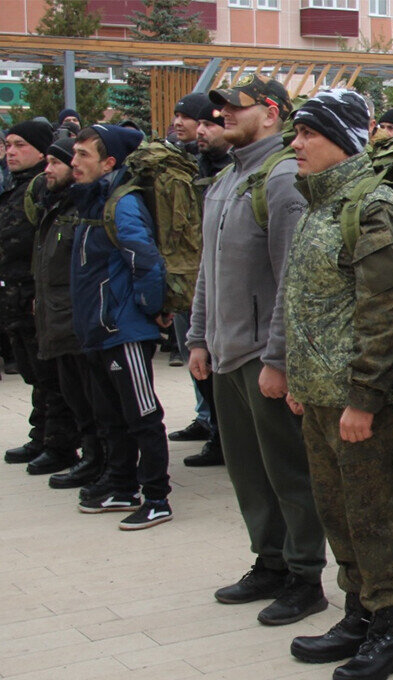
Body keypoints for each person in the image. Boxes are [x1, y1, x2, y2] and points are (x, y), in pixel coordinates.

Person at [281, 88, 393, 680]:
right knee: (336, 509)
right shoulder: (318, 204)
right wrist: (298, 379)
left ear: (340, 140)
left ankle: (389, 630)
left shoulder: (375, 208)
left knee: (373, 515)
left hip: (358, 402)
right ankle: (357, 612)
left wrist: (364, 399)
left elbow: (388, 313)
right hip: (317, 395)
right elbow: (308, 304)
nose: (295, 145)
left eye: (307, 134)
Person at [188, 73, 327, 625]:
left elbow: (294, 278)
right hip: (225, 353)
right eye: (218, 108)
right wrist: (198, 335)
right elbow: (208, 270)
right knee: (248, 472)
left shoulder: (283, 179)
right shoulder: (227, 180)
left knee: (288, 472)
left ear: (271, 113)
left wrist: (278, 360)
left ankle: (303, 574)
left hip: (262, 359)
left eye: (233, 108)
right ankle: (269, 562)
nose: (221, 115)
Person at [69, 124, 173, 529]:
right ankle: (124, 486)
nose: (73, 162)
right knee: (110, 415)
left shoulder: (122, 204)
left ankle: (158, 496)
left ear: (109, 162)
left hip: (124, 330)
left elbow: (144, 260)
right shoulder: (93, 200)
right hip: (99, 330)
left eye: (83, 155)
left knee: (142, 414)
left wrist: (149, 308)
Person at [1, 119, 78, 476]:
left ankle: (60, 443)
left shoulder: (42, 190)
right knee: (34, 372)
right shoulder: (18, 189)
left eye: (19, 145)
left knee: (51, 374)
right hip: (16, 296)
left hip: (39, 297)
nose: (11, 152)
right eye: (8, 145)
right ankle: (43, 433)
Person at [29, 138, 102, 491]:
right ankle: (89, 455)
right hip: (55, 319)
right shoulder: (53, 209)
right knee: (71, 394)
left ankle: (98, 459)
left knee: (92, 398)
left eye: (55, 163)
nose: (50, 170)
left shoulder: (80, 210)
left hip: (78, 322)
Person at [169, 98, 230, 469]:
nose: (197, 129)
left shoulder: (235, 173)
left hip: (221, 289)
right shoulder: (194, 167)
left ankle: (223, 436)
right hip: (194, 281)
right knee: (198, 360)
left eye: (207, 123)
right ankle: (210, 423)